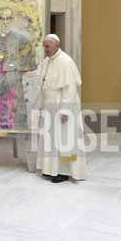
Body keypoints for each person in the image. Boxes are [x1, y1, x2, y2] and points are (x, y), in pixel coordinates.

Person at [35, 34, 86, 183]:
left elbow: (70, 89)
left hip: (63, 107)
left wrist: (65, 111)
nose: (45, 49)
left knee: (65, 140)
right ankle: (50, 169)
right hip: (50, 106)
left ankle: (64, 172)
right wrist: (41, 106)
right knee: (51, 140)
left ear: (57, 45)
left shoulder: (66, 61)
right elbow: (43, 85)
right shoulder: (47, 61)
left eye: (48, 46)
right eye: (44, 46)